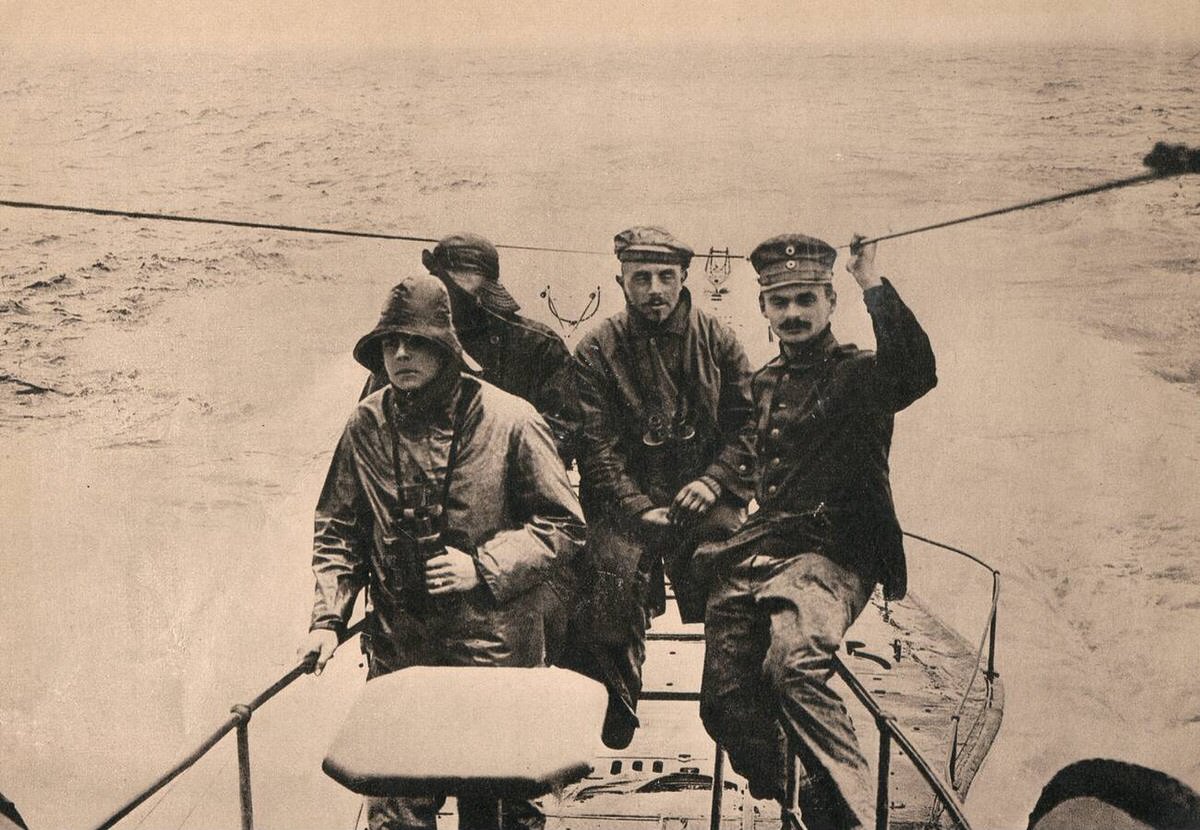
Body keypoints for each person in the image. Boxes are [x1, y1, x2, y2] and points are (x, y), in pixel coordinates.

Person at [297, 274, 586, 830]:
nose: (401, 354)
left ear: (447, 350)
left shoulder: (512, 420)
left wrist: (481, 567)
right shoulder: (366, 425)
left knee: (501, 808)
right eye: (390, 344)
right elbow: (338, 528)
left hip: (495, 650)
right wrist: (328, 619)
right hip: (401, 650)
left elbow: (564, 525)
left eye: (417, 343)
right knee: (396, 806)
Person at [696, 233, 937, 830]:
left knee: (795, 665)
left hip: (840, 551)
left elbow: (914, 372)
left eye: (807, 299)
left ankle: (852, 815)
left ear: (831, 301)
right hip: (773, 546)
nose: (795, 314)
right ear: (764, 310)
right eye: (781, 302)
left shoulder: (859, 374)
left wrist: (872, 283)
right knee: (724, 701)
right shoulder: (765, 380)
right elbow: (751, 461)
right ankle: (801, 789)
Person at [564, 225, 756, 749]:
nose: (654, 289)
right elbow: (595, 446)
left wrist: (715, 480)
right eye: (641, 277)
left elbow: (749, 426)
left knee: (734, 582)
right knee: (604, 578)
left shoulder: (718, 340)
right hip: (626, 505)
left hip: (706, 502)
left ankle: (731, 704)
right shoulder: (596, 352)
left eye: (665, 277)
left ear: (683, 279)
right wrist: (637, 507)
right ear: (621, 280)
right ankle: (615, 699)